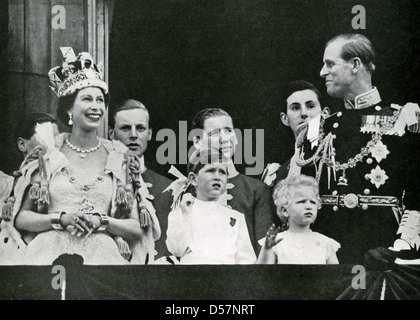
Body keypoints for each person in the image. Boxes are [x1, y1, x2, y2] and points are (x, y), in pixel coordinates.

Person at [12, 47, 152, 265]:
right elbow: (22, 218)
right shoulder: (49, 154)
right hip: (48, 257)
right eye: (87, 99)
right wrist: (60, 219)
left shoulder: (119, 157)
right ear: (69, 109)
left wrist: (101, 221)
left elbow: (135, 228)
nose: (96, 107)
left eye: (100, 101)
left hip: (103, 259)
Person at [295, 34, 420, 264]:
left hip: (383, 249)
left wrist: (402, 246)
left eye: (330, 64)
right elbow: (304, 195)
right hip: (326, 250)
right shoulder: (318, 128)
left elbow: (417, 194)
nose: (323, 72)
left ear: (355, 65)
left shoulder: (401, 119)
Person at [171, 108, 277, 255]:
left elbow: (265, 249)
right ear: (197, 142)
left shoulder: (256, 189)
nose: (224, 138)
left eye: (228, 130)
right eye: (214, 133)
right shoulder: (185, 191)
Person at [166, 148, 256, 264]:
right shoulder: (181, 213)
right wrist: (185, 216)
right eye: (211, 171)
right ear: (193, 179)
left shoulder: (235, 217)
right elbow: (177, 250)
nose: (217, 177)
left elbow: (246, 261)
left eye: (222, 172)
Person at [109, 99, 173, 262]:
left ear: (149, 134)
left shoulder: (168, 187)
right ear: (111, 133)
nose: (133, 135)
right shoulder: (103, 179)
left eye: (140, 128)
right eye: (125, 128)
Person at [0, 113, 59, 264]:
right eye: (46, 138)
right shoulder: (8, 184)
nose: (54, 146)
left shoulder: (60, 178)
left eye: (56, 139)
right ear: (22, 144)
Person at [257, 175, 340, 264]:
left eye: (313, 202)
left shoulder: (325, 243)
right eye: (301, 201)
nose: (309, 207)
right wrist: (267, 249)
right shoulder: (277, 242)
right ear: (285, 210)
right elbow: (262, 272)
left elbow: (336, 275)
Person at [262, 80, 329, 187]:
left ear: (325, 113)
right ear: (285, 119)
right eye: (296, 108)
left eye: (311, 106)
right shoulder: (278, 174)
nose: (304, 113)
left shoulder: (338, 160)